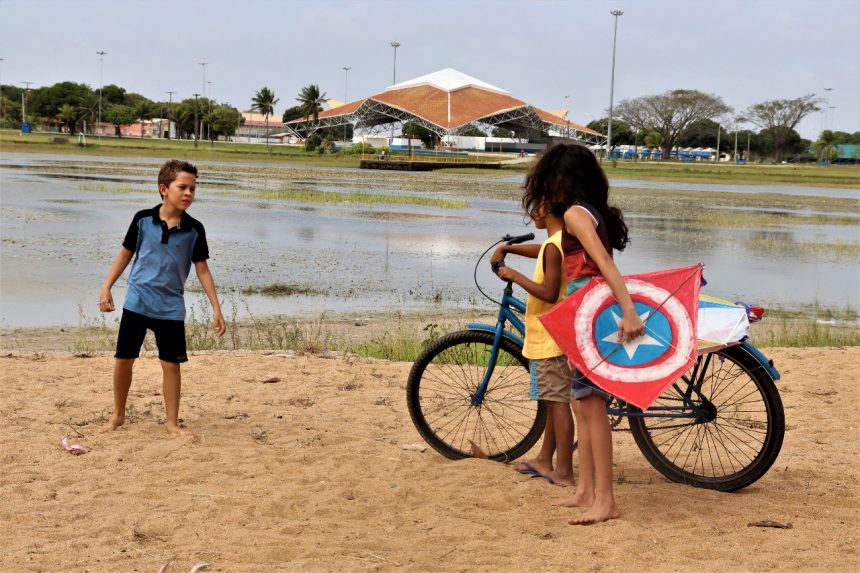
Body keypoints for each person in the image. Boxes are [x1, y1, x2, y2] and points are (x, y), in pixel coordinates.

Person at [531, 144, 643, 525]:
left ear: (560, 180)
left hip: (595, 315)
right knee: (580, 404)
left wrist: (629, 310)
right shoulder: (587, 211)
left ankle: (606, 500)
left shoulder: (578, 214)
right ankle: (585, 491)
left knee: (592, 407)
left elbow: (604, 262)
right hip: (586, 315)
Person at [98, 159, 226, 436]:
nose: (189, 193)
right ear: (164, 189)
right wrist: (107, 287)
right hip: (137, 302)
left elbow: (202, 269)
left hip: (170, 309)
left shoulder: (194, 229)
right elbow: (125, 254)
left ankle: (171, 423)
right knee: (124, 360)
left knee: (171, 364)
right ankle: (118, 415)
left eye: (193, 188)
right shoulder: (142, 219)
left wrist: (216, 307)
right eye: (183, 187)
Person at [490, 191, 574, 487]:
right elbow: (542, 250)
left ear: (545, 207)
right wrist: (509, 249)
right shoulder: (559, 240)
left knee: (559, 403)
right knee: (553, 401)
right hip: (557, 333)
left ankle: (563, 471)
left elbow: (549, 293)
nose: (532, 214)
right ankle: (544, 459)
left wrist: (514, 275)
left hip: (550, 337)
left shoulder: (554, 246)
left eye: (534, 208)